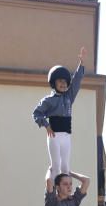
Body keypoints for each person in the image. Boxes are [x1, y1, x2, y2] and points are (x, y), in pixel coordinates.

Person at [33, 47, 86, 180]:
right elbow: (36, 113)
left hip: (66, 136)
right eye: (60, 81)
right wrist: (46, 125)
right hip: (54, 136)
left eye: (65, 81)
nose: (63, 84)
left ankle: (65, 190)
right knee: (56, 166)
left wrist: (82, 64)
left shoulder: (69, 97)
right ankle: (52, 191)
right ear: (54, 83)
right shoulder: (48, 100)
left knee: (65, 167)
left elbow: (76, 81)